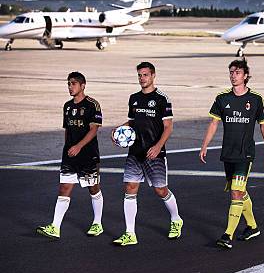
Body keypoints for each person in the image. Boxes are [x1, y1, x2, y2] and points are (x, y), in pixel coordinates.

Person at [199, 59, 264, 250]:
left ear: (246, 75)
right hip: (228, 154)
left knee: (235, 192)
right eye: (231, 72)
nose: (233, 75)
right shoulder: (222, 98)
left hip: (245, 154)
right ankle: (253, 226)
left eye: (237, 72)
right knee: (240, 191)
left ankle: (227, 235)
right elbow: (214, 123)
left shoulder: (256, 99)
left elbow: (263, 125)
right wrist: (204, 145)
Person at [112, 62, 182, 246]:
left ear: (153, 76)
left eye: (145, 75)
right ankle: (130, 233)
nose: (142, 78)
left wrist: (158, 146)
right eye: (140, 75)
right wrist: (120, 130)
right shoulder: (134, 98)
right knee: (130, 189)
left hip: (154, 154)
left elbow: (168, 127)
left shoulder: (162, 99)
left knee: (160, 190)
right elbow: (132, 122)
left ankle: (176, 219)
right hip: (135, 152)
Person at [37, 72, 104, 239]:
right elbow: (67, 129)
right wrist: (69, 147)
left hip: (88, 155)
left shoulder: (92, 105)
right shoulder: (67, 106)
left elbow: (94, 129)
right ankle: (55, 227)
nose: (70, 87)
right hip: (70, 155)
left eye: (73, 84)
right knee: (64, 187)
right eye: (68, 84)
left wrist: (79, 146)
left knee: (93, 188)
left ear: (83, 85)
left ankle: (97, 223)